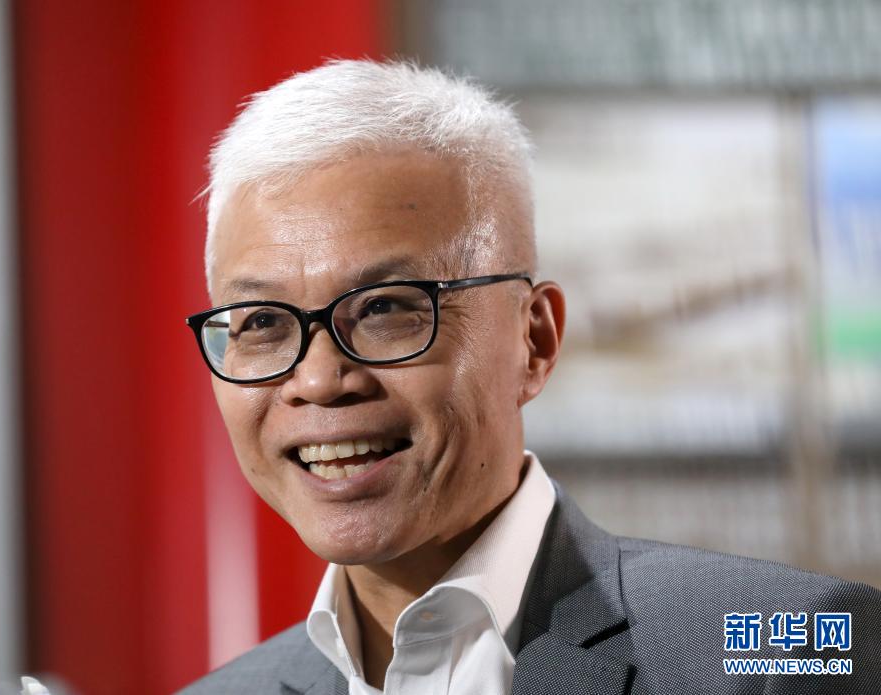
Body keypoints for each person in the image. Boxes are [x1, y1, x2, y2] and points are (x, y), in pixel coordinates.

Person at [180, 60, 880, 695]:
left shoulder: (789, 648)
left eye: (386, 309)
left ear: (534, 340)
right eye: (262, 321)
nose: (319, 380)